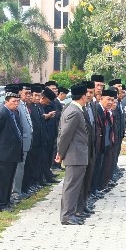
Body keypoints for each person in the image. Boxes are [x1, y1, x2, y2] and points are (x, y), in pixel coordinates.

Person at [57, 82, 92, 225]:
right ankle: (66, 216)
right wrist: (60, 152)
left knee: (75, 186)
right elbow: (65, 134)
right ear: (83, 96)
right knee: (71, 186)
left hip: (76, 154)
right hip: (75, 154)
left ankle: (72, 213)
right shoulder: (74, 111)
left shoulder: (72, 109)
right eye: (87, 95)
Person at [0, 89, 24, 212]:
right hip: (3, 153)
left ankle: (7, 201)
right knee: (2, 181)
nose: (16, 104)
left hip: (13, 153)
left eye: (18, 101)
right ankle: (0, 205)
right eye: (14, 101)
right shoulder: (2, 113)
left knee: (9, 179)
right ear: (6, 102)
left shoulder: (15, 113)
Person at [10, 83, 33, 206]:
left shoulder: (23, 105)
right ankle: (15, 192)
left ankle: (19, 190)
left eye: (29, 93)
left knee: (22, 168)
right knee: (18, 169)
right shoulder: (17, 106)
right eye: (26, 93)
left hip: (27, 141)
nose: (28, 96)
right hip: (21, 142)